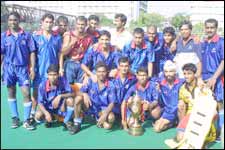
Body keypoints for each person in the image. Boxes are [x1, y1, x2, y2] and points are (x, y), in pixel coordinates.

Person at [1, 12, 36, 130]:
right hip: (9, 68)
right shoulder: (3, 36)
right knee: (11, 92)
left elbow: (32, 52)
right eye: (10, 20)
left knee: (26, 93)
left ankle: (27, 120)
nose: (12, 22)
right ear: (8, 21)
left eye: (15, 20)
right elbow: (1, 54)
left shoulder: (27, 35)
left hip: (23, 69)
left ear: (19, 20)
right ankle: (15, 117)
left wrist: (32, 68)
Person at [176, 63, 216, 145]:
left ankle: (211, 132)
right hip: (190, 116)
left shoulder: (202, 86)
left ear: (194, 74)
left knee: (196, 142)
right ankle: (182, 127)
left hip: (202, 117)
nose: (186, 76)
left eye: (189, 73)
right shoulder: (182, 88)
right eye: (184, 74)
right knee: (180, 139)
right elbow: (181, 107)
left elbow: (211, 107)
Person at [32, 13, 62, 119]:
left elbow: (60, 53)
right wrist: (32, 68)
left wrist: (61, 67)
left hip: (53, 71)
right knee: (36, 92)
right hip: (39, 70)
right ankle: (32, 113)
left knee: (51, 91)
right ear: (42, 23)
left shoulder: (57, 37)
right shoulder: (35, 36)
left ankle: (50, 111)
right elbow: (32, 53)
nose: (48, 24)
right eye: (46, 22)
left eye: (50, 22)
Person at [34, 64, 77, 134]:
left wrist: (60, 96)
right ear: (47, 75)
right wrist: (46, 113)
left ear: (58, 75)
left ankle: (67, 120)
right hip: (48, 108)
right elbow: (40, 103)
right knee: (38, 116)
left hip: (61, 107)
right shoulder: (42, 85)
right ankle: (49, 118)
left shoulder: (63, 80)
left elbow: (73, 94)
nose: (52, 77)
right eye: (50, 75)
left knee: (70, 100)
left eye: (54, 75)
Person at [74, 62, 116, 132]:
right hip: (90, 107)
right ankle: (77, 123)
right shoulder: (90, 81)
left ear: (107, 72)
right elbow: (78, 92)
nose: (101, 74)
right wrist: (84, 94)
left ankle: (98, 119)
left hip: (102, 109)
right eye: (99, 72)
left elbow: (112, 103)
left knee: (109, 121)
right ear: (96, 72)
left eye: (103, 72)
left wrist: (105, 114)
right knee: (78, 98)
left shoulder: (111, 85)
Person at [201, 18, 224, 140]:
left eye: (212, 27)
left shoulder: (221, 42)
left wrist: (214, 78)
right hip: (204, 79)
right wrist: (199, 77)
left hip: (217, 79)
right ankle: (208, 131)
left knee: (219, 104)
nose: (209, 30)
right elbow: (200, 61)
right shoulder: (203, 42)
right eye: (207, 27)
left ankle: (221, 132)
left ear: (216, 28)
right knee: (205, 105)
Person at [59, 16, 93, 88]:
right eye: (78, 24)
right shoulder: (69, 35)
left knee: (80, 87)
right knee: (68, 86)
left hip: (82, 64)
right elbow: (63, 52)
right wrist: (71, 43)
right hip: (70, 63)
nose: (80, 26)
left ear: (86, 25)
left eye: (82, 24)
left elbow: (90, 56)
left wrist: (87, 72)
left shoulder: (88, 38)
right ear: (75, 24)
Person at [153, 60, 184, 132]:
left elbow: (192, 80)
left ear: (175, 72)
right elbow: (152, 80)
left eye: (171, 71)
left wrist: (199, 80)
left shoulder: (182, 82)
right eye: (166, 72)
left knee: (158, 127)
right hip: (168, 111)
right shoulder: (161, 83)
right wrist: (157, 89)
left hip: (178, 111)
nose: (168, 74)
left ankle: (180, 125)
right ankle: (172, 123)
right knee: (156, 128)